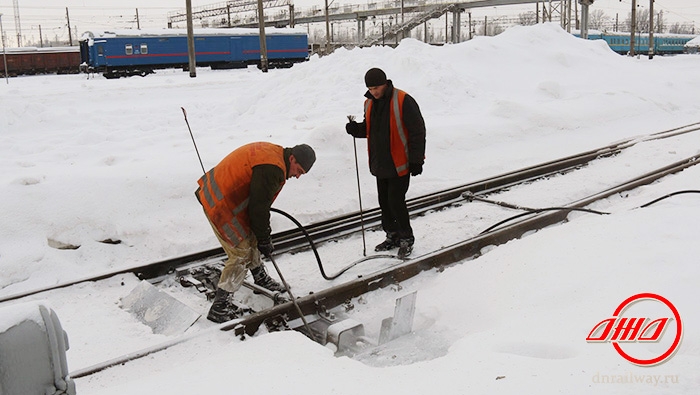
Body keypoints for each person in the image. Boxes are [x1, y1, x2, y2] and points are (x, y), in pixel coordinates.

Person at [195, 142, 316, 323]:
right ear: (292, 159)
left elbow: (257, 207)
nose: (297, 176)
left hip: (223, 195)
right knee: (241, 252)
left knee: (251, 235)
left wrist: (260, 236)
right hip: (221, 204)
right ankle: (220, 307)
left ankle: (260, 277)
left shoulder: (275, 153)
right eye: (298, 170)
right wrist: (265, 239)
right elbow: (258, 209)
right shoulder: (273, 170)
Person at [345, 67, 426, 259]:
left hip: (400, 163)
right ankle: (392, 235)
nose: (374, 92)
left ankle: (406, 238)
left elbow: (418, 131)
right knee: (384, 202)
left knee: (396, 201)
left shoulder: (403, 100)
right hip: (380, 164)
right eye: (370, 88)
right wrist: (355, 129)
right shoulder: (369, 103)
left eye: (376, 87)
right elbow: (369, 129)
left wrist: (416, 160)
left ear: (385, 83)